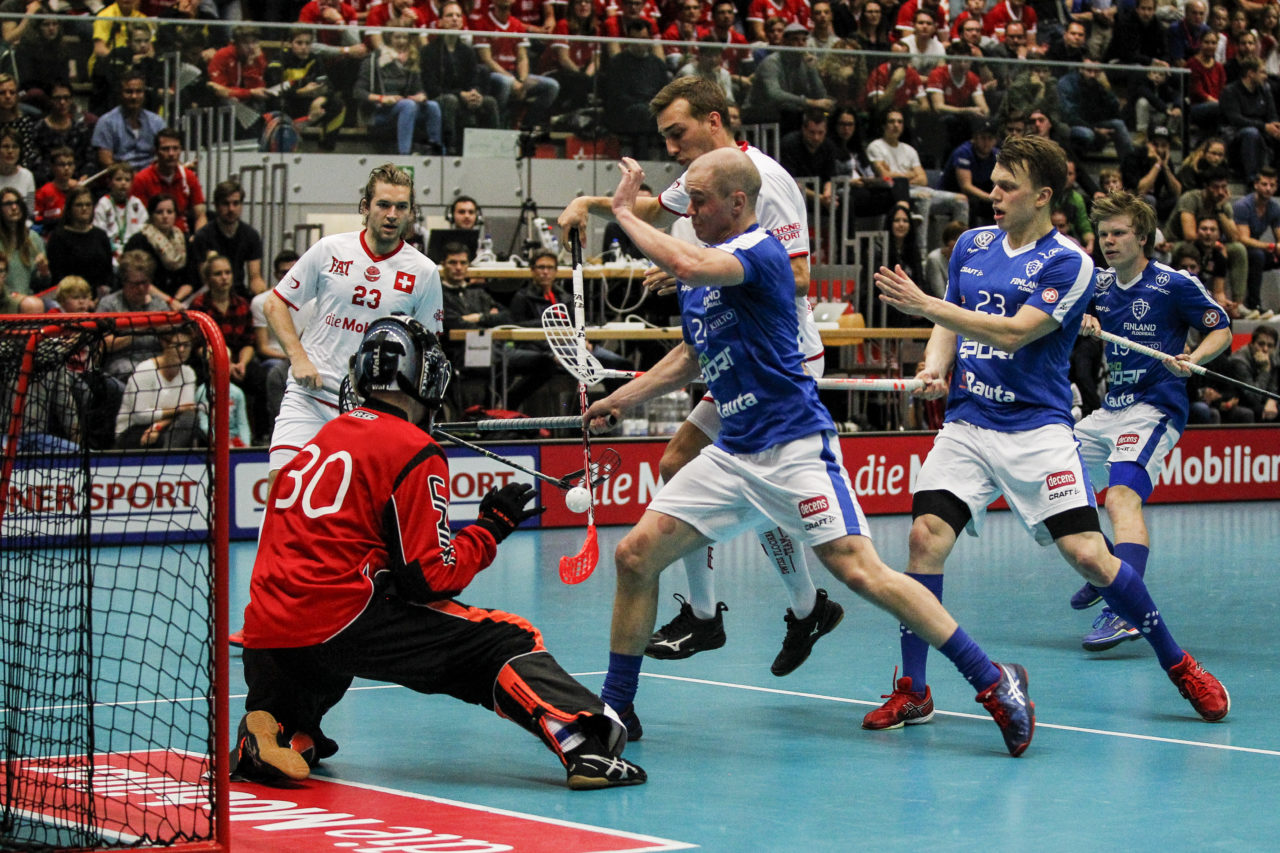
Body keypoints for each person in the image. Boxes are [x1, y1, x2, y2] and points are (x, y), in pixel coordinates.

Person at [587, 148, 1034, 757]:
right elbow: (692, 357)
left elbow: (685, 257)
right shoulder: (701, 278)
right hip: (732, 452)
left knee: (861, 573)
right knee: (636, 556)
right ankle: (617, 708)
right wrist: (624, 398)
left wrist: (620, 213)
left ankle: (992, 677)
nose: (688, 211)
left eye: (700, 201)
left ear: (738, 203)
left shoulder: (758, 252)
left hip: (794, 447)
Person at [869, 135, 1230, 730]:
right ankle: (914, 690)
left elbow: (1015, 332)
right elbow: (952, 325)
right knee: (924, 539)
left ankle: (1179, 663)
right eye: (992, 182)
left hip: (1036, 431)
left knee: (1088, 554)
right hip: (968, 422)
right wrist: (935, 366)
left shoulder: (1071, 262)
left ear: (1042, 196)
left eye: (1006, 186)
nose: (993, 194)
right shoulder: (971, 244)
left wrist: (927, 305)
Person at [231, 315, 645, 791]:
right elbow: (429, 578)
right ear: (424, 375)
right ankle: (582, 741)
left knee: (324, 651)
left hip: (266, 634)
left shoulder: (318, 441)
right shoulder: (413, 447)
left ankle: (277, 728)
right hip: (336, 621)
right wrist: (491, 529)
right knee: (506, 639)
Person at [557, 77, 839, 679]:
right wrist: (592, 205)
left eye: (678, 134)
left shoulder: (762, 179)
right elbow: (660, 211)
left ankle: (725, 615)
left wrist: (709, 272)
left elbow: (797, 278)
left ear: (714, 122)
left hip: (780, 354)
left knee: (685, 464)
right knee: (684, 466)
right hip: (729, 349)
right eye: (663, 138)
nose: (671, 149)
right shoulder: (699, 179)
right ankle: (793, 607)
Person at [1071, 191, 1233, 650]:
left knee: (1122, 498)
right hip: (1111, 408)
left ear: (1143, 238)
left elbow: (1219, 327)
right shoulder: (1099, 286)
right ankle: (1106, 565)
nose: (1109, 241)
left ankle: (1123, 608)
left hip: (1155, 407)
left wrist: (1195, 358)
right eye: (1103, 234)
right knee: (1046, 475)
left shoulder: (1173, 283)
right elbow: (1063, 316)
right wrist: (1081, 319)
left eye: (1119, 233)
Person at [263, 163, 443, 475]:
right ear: (365, 207)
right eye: (383, 204)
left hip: (374, 412)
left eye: (401, 207)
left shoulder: (424, 272)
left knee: (356, 515)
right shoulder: (330, 249)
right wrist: (298, 358)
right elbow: (275, 304)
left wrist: (413, 419)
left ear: (411, 212)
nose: (392, 214)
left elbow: (428, 352)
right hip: (310, 399)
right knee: (281, 495)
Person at [867, 109, 969, 260]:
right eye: (891, 121)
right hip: (895, 192)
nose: (896, 125)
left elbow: (923, 179)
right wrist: (910, 174)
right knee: (924, 197)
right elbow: (886, 176)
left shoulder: (909, 150)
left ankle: (962, 250)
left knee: (961, 199)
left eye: (900, 122)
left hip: (918, 188)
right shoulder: (876, 146)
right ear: (883, 125)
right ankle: (920, 253)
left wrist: (900, 176)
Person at [190, 252, 269, 442]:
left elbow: (249, 343)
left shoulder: (241, 304)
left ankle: (259, 435)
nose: (224, 278)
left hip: (237, 361)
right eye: (218, 274)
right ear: (208, 279)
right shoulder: (199, 305)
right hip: (209, 362)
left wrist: (241, 363)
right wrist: (222, 365)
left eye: (227, 273)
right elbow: (198, 346)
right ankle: (206, 437)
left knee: (260, 378)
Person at [1166, 167, 1249, 317]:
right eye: (1216, 187)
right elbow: (1190, 235)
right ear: (1206, 187)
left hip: (1209, 245)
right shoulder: (1191, 198)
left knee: (1238, 249)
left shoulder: (1223, 205)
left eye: (1224, 187)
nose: (1220, 191)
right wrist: (1217, 245)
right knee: (1185, 247)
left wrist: (1218, 209)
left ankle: (1238, 303)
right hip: (1180, 243)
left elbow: (1234, 237)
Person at [421, 1, 499, 154]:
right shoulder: (429, 51)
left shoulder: (467, 51)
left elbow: (474, 79)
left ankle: (492, 151)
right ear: (440, 22)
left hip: (464, 98)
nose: (455, 19)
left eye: (458, 15)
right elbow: (431, 87)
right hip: (440, 98)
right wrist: (460, 94)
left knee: (489, 102)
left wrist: (475, 93)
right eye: (450, 16)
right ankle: (450, 150)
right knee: (451, 100)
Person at [355, 25, 444, 156]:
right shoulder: (373, 61)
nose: (402, 41)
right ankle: (404, 155)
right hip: (377, 111)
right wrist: (382, 98)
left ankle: (436, 153)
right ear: (389, 39)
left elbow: (419, 89)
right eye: (397, 37)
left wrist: (421, 96)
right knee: (408, 105)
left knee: (433, 106)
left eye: (405, 38)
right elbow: (358, 91)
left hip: (403, 108)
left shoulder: (410, 61)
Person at [115, 327, 204, 449]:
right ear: (165, 344)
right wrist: (177, 410)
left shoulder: (188, 373)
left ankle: (170, 460)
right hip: (132, 430)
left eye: (186, 345)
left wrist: (158, 426)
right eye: (177, 345)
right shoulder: (145, 370)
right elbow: (140, 416)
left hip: (165, 426)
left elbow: (187, 412)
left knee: (192, 422)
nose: (182, 350)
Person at [189, 180, 267, 298]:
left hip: (239, 293)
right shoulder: (203, 236)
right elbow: (205, 279)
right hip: (210, 295)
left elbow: (255, 278)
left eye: (236, 203)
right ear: (216, 205)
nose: (231, 209)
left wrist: (263, 294)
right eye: (225, 204)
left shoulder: (251, 235)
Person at [130, 128, 207, 234]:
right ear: (156, 151)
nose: (171, 153)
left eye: (175, 149)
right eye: (165, 149)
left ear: (180, 150)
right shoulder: (141, 179)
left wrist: (198, 239)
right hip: (152, 236)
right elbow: (137, 220)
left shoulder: (189, 176)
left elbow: (201, 216)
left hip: (183, 237)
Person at [45, 185, 114, 298]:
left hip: (99, 298)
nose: (84, 208)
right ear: (70, 208)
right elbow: (58, 276)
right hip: (69, 297)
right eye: (79, 205)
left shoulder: (101, 235)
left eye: (88, 204)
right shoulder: (58, 237)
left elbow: (108, 273)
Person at [123, 194, 192, 306]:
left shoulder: (185, 239)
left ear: (176, 215)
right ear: (151, 215)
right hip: (146, 299)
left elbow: (190, 279)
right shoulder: (138, 241)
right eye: (159, 212)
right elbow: (136, 279)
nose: (165, 216)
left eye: (169, 212)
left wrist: (176, 300)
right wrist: (169, 301)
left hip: (180, 300)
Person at [90, 70, 166, 171]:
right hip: (121, 179)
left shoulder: (157, 122)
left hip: (151, 179)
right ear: (120, 93)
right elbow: (106, 162)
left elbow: (166, 154)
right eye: (129, 92)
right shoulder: (106, 122)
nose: (134, 97)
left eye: (138, 91)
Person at [1232, 167, 1280, 319]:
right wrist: (1271, 246)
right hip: (1238, 248)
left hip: (1257, 248)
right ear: (1256, 185)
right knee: (1257, 256)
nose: (1268, 189)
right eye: (1265, 184)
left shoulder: (1274, 208)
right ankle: (1254, 304)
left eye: (1272, 185)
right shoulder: (1243, 206)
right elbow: (1243, 239)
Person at [0, 187, 48, 298]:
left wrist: (44, 273)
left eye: (18, 203)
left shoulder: (33, 238)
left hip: (28, 300)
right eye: (8, 204)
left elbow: (41, 284)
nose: (14, 207)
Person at [1226, 324, 1280, 421]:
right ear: (1252, 344)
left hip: (1261, 400)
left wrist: (1272, 400)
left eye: (1270, 345)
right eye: (1261, 344)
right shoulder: (1239, 361)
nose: (1265, 349)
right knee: (1258, 411)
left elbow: (1273, 387)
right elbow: (1254, 397)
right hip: (1239, 402)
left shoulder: (1273, 357)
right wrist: (1265, 370)